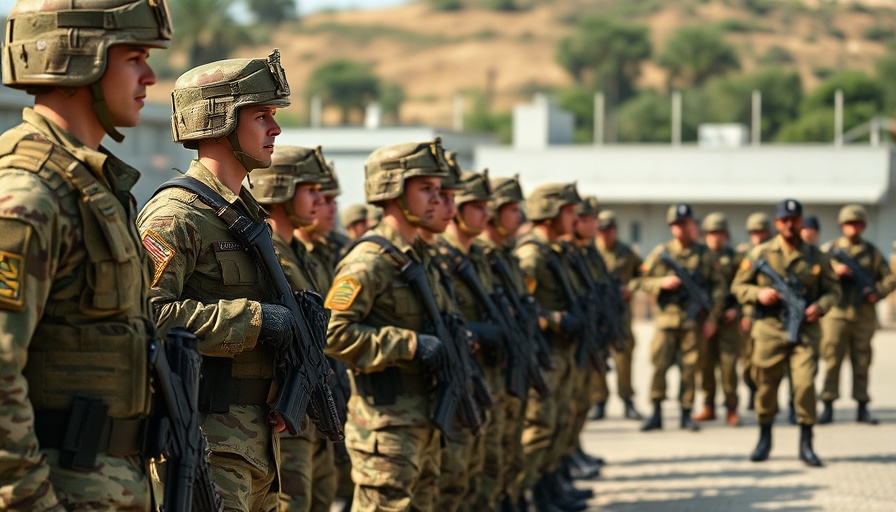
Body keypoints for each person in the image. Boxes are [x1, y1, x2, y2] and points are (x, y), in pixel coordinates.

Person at [0, 0, 170, 509]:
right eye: (135, 57)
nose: (151, 76)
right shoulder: (28, 196)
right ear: (79, 60)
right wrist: (33, 501)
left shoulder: (95, 188)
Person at [138, 50, 303, 510]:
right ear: (221, 122)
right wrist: (252, 319)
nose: (276, 129)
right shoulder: (175, 216)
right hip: (207, 446)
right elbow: (147, 315)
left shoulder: (246, 218)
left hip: (256, 446)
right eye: (263, 116)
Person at [324, 139, 453, 511]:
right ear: (394, 190)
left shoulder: (420, 257)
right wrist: (409, 344)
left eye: (438, 189)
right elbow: (333, 334)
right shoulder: (369, 261)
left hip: (423, 418)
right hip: (385, 425)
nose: (436, 198)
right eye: (425, 189)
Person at [247, 145, 339, 512]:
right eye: (311, 190)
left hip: (305, 409)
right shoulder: (272, 254)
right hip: (283, 410)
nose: (320, 201)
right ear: (281, 188)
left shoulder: (300, 254)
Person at [731, 199, 840, 467]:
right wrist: (759, 293)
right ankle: (764, 438)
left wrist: (821, 306)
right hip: (769, 330)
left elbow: (834, 290)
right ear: (777, 223)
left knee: (804, 386)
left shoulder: (817, 257)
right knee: (766, 387)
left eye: (794, 219)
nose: (789, 224)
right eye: (784, 220)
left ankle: (806, 443)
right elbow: (738, 286)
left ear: (801, 221)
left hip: (804, 331)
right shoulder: (760, 254)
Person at [515, 183, 593, 512]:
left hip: (560, 353)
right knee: (539, 429)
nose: (575, 218)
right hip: (543, 353)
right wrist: (555, 320)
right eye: (569, 211)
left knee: (558, 423)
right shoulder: (532, 254)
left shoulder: (553, 251)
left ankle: (548, 490)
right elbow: (520, 309)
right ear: (549, 213)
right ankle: (523, 494)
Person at [632, 203, 725, 433]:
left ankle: (686, 413)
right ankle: (656, 412)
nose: (681, 229)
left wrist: (712, 317)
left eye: (685, 224)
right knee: (659, 366)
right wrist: (661, 283)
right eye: (676, 225)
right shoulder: (662, 253)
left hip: (693, 322)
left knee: (690, 369)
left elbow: (719, 287)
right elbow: (639, 281)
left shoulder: (704, 254)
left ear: (692, 225)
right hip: (665, 321)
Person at [477, 174, 533, 510]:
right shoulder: (480, 256)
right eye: (511, 209)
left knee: (505, 448)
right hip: (482, 375)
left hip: (504, 366)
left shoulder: (501, 255)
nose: (518, 217)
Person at [817, 205, 895, 425]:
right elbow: (816, 274)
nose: (853, 227)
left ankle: (862, 407)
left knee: (862, 361)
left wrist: (877, 292)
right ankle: (828, 405)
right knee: (832, 360)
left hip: (863, 315)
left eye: (857, 223)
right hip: (836, 314)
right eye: (849, 223)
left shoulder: (872, 252)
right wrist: (835, 270)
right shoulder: (831, 250)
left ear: (863, 226)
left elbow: (889, 278)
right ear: (842, 226)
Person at [693, 213, 743, 426]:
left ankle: (731, 408)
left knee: (728, 367)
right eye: (711, 233)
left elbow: (744, 286)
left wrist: (739, 310)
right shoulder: (699, 257)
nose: (715, 237)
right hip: (704, 321)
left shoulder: (735, 258)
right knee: (705, 365)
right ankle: (708, 405)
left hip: (727, 322)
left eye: (719, 232)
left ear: (726, 234)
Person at [595, 210, 643, 421]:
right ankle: (599, 401)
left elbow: (642, 275)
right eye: (602, 230)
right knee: (597, 358)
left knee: (624, 359)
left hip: (620, 315)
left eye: (609, 230)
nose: (605, 234)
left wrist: (630, 288)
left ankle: (627, 400)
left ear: (615, 229)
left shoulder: (627, 252)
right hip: (597, 315)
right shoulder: (590, 252)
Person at [736, 212, 773, 411]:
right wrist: (742, 313)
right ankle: (751, 391)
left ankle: (765, 396)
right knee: (748, 358)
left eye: (762, 231)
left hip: (772, 316)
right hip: (749, 315)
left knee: (767, 360)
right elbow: (736, 286)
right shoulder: (743, 253)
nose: (758, 235)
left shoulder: (774, 251)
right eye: (754, 231)